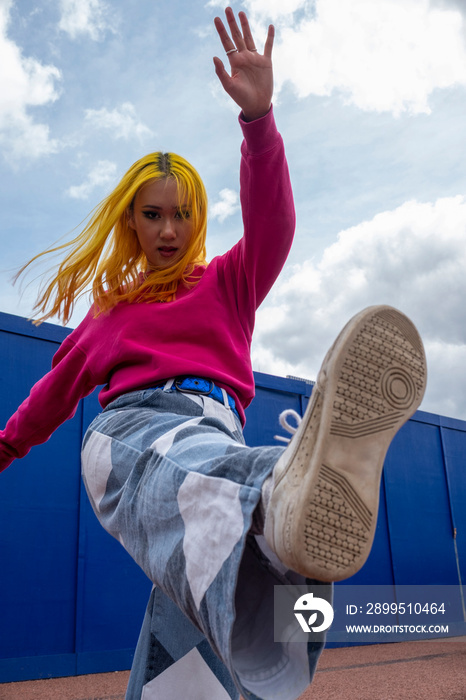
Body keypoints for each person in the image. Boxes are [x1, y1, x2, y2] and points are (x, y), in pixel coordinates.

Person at [0, 8, 427, 700]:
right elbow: (51, 395)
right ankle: (281, 491)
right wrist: (3, 447)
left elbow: (274, 225)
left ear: (199, 218)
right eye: (152, 214)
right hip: (133, 439)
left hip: (212, 435)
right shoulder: (111, 311)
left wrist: (259, 122)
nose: (168, 229)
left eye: (182, 214)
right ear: (130, 221)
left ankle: (249, 654)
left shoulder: (228, 281)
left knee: (221, 602)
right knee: (241, 490)